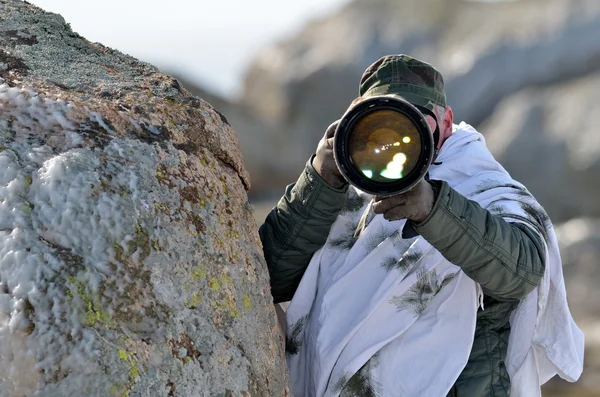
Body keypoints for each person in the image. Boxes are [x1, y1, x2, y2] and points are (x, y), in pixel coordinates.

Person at [259, 55, 582, 397]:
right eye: (383, 121)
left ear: (446, 121)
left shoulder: (484, 187)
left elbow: (522, 271)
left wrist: (434, 210)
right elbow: (269, 279)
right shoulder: (350, 184)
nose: (400, 137)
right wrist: (320, 182)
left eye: (416, 120)